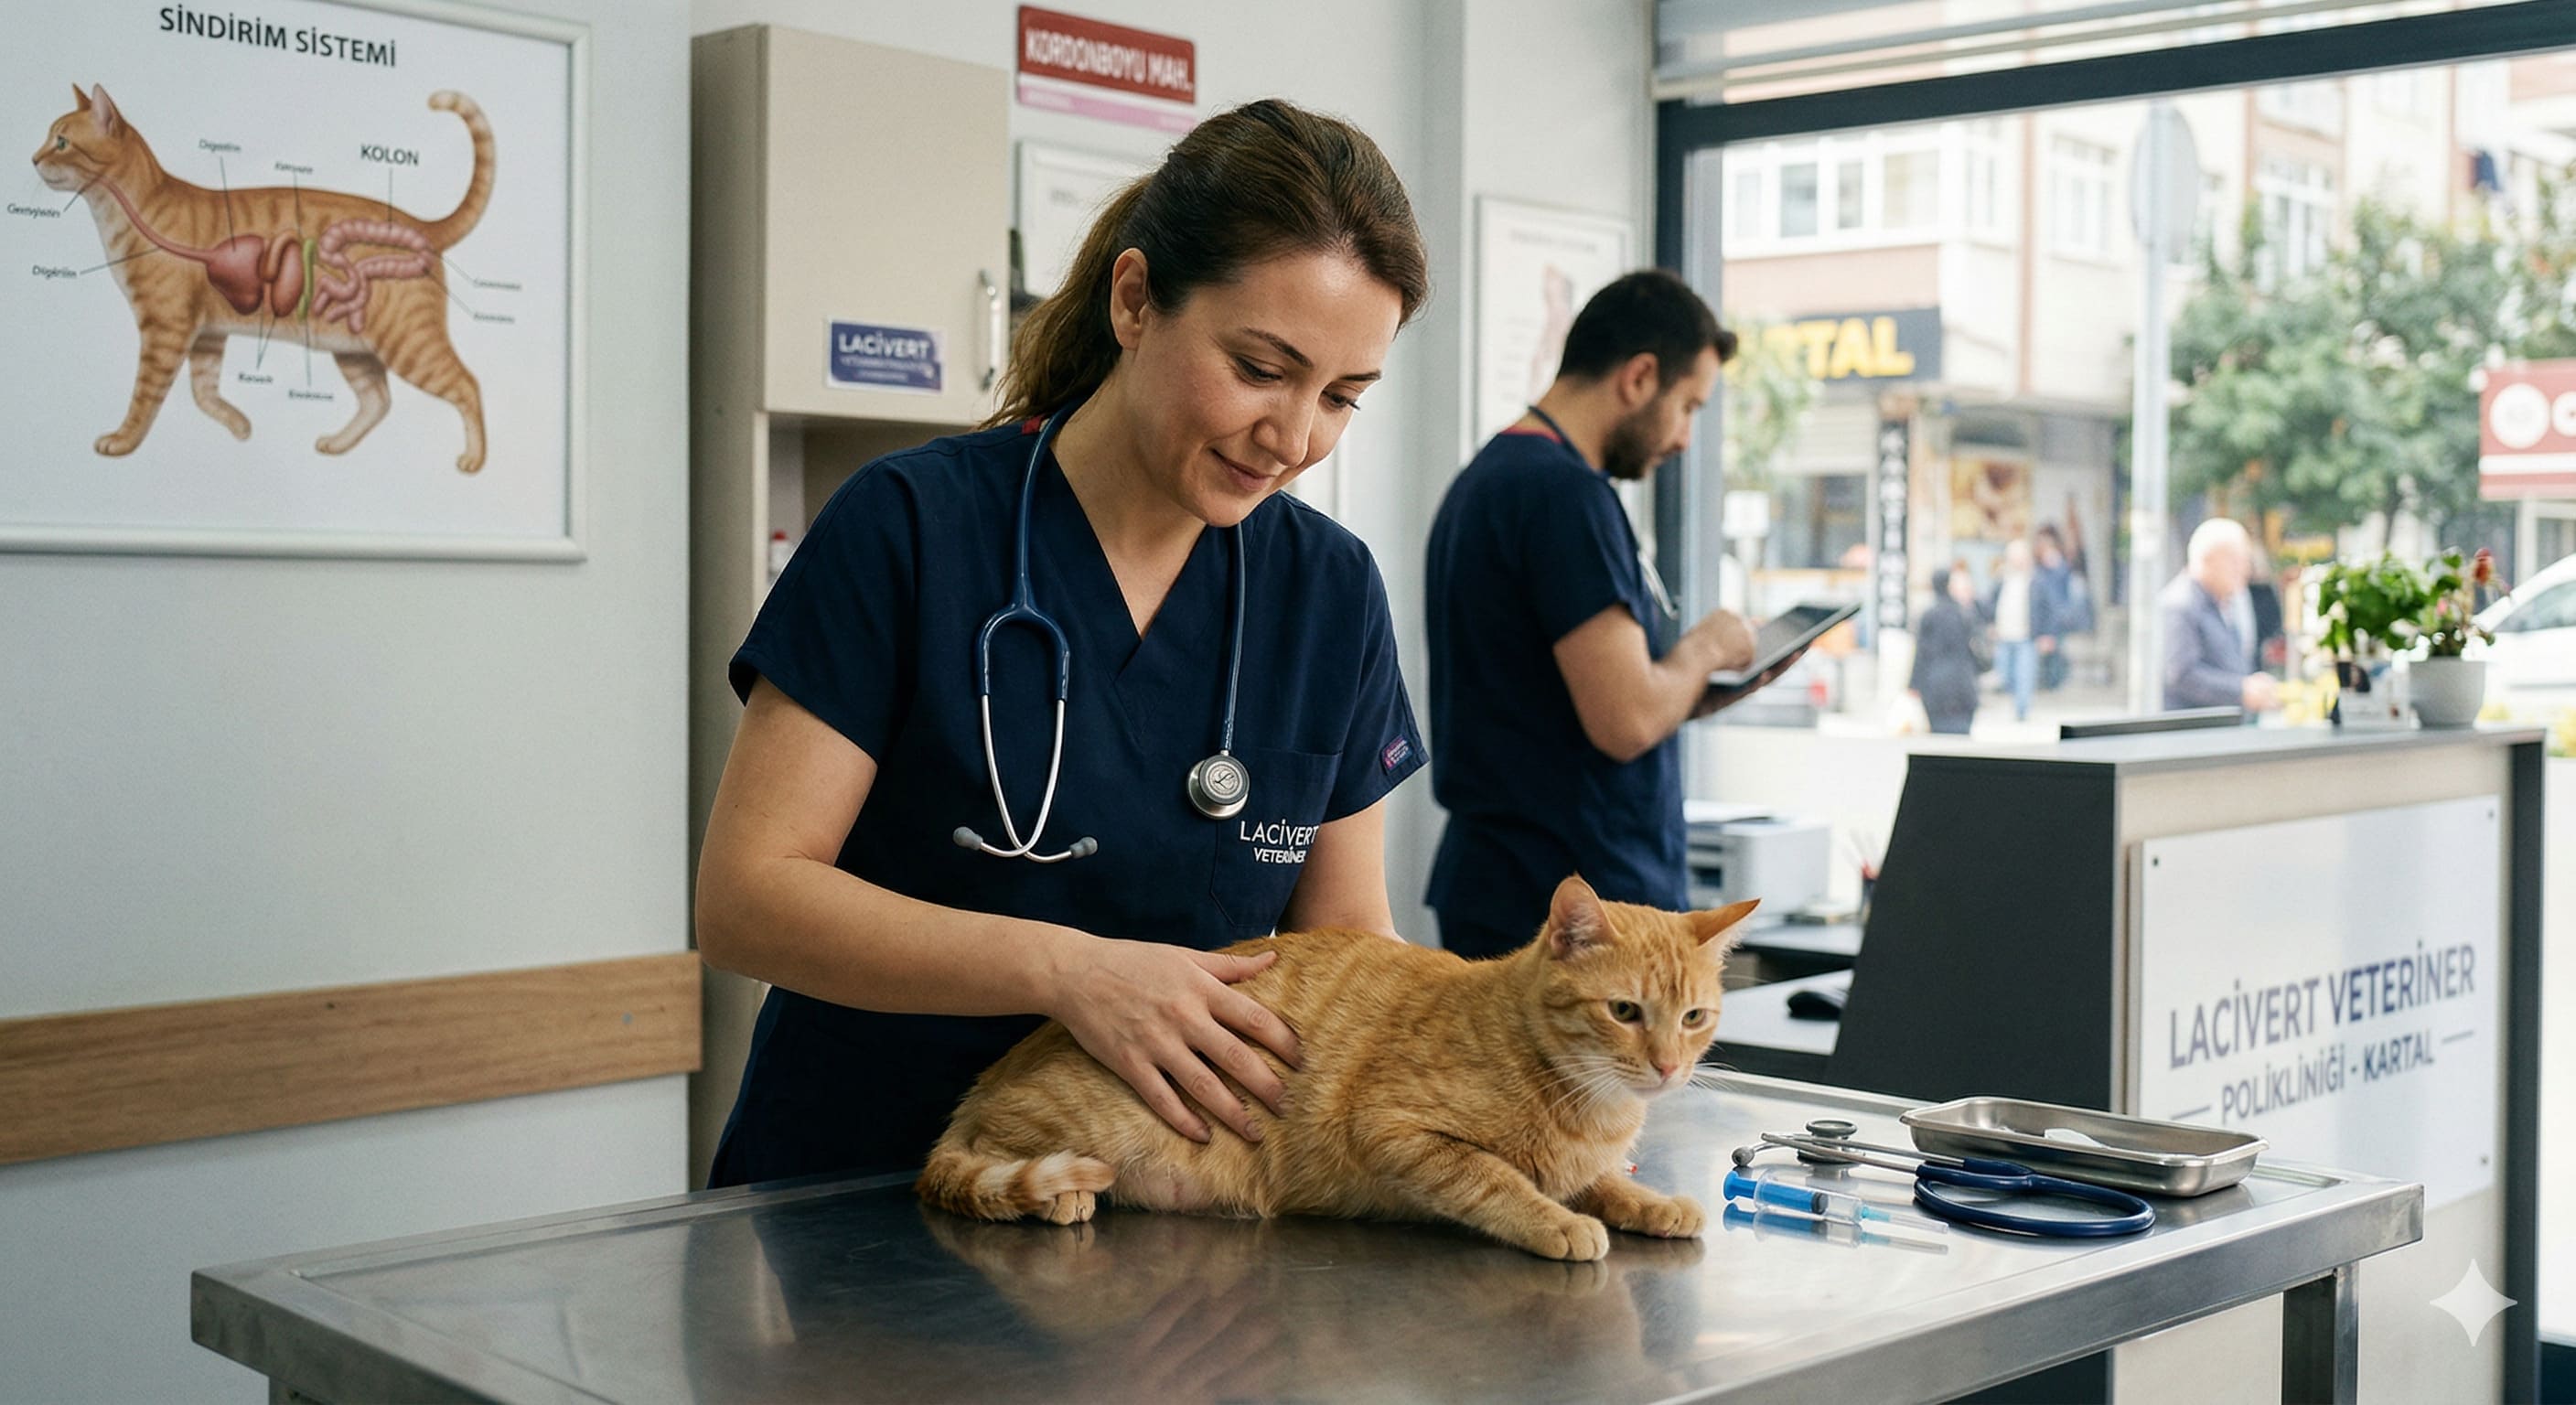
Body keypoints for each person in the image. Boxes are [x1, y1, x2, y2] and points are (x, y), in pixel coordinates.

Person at [692, 100, 1433, 1186]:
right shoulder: (909, 527)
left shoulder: (1326, 591)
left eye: (1341, 397)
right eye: (1259, 369)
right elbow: (748, 900)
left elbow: (1347, 942)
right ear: (1134, 301)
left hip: (1163, 1225)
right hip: (859, 1211)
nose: (1292, 438)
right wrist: (1067, 972)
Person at [1422, 270, 1790, 960]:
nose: (1684, 438)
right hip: (1571, 908)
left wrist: (1688, 693)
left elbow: (1561, 705)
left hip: (1511, 879)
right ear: (1640, 376)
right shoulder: (1564, 497)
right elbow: (1624, 721)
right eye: (1688, 406)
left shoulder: (1492, 479)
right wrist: (1705, 649)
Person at [2161, 517, 2281, 713]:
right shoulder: (2181, 605)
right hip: (2192, 732)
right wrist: (2241, 690)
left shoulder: (2221, 603)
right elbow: (2181, 675)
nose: (2245, 570)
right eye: (2236, 561)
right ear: (2208, 559)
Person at [1910, 566, 1984, 735]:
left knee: (1939, 734)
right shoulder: (1963, 613)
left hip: (1935, 682)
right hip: (1963, 680)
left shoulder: (1929, 614)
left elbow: (1921, 653)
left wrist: (1913, 684)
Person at [1984, 539, 2040, 722]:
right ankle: (2010, 704)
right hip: (2004, 634)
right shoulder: (2002, 579)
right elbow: (1990, 604)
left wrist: (2046, 634)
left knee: (2024, 674)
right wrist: (1991, 624)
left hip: (2026, 636)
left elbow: (2047, 609)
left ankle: (2021, 710)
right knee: (2004, 675)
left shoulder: (2036, 580)